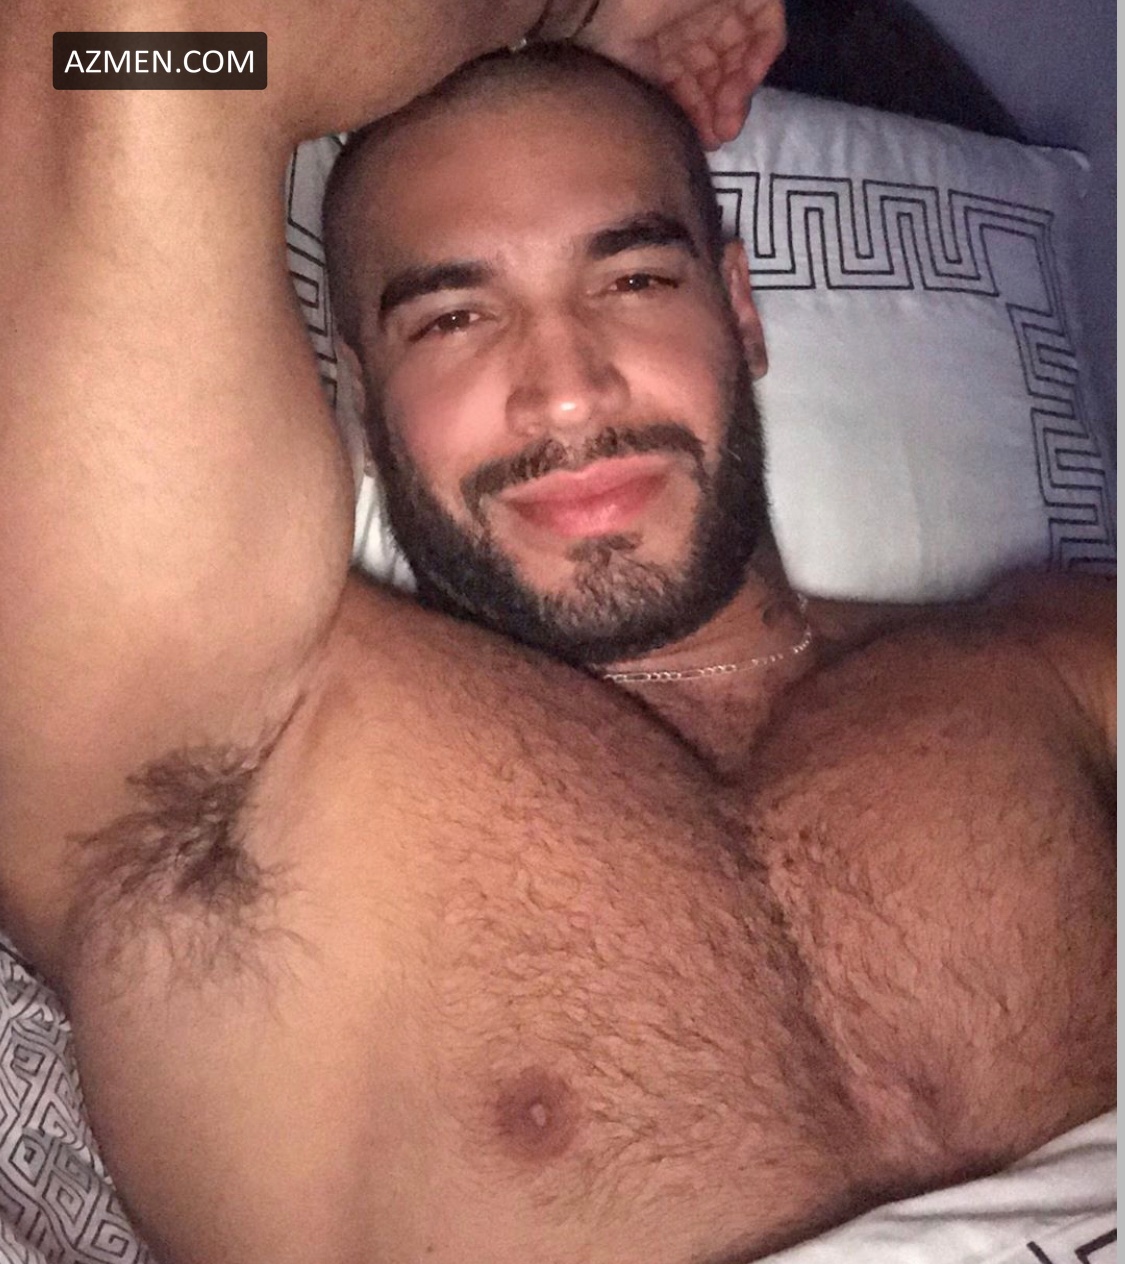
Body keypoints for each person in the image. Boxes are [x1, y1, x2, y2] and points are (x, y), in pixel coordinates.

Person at [0, 7, 1113, 1264]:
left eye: (634, 280)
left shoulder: (1053, 668)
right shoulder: (222, 748)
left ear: (741, 312)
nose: (569, 390)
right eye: (453, 318)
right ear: (357, 397)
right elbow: (127, 43)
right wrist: (565, 8)